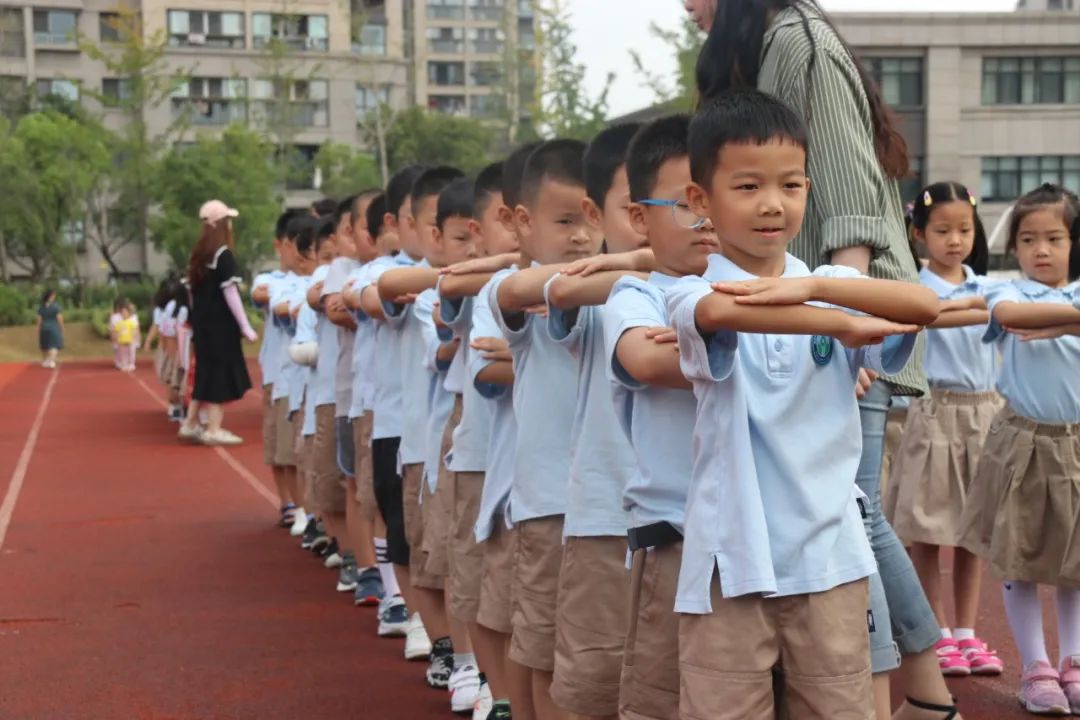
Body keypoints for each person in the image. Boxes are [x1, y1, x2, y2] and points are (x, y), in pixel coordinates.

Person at [687, 2, 951, 717]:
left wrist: (828, 295)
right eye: (747, 186)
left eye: (788, 185)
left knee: (855, 518)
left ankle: (924, 692)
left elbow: (912, 292)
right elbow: (717, 309)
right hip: (733, 564)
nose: (772, 203)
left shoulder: (799, 40)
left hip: (824, 560)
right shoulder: (693, 293)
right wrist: (832, 312)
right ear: (701, 199)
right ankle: (923, 691)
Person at [603, 113, 713, 720]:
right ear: (639, 217)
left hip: (767, 547)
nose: (706, 219)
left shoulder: (780, 290)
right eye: (685, 203)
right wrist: (786, 346)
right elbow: (647, 359)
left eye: (716, 198)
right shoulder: (636, 294)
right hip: (673, 536)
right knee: (662, 702)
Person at [957, 183, 1080, 716]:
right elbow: (1010, 317)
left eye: (1054, 237)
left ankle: (1074, 662)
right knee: (1018, 558)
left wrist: (1062, 320)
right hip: (1023, 442)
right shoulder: (1007, 291)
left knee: (1076, 565)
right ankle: (1036, 667)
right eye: (1028, 239)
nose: (1041, 250)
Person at [491, 139, 603, 720]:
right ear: (523, 224)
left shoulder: (618, 288)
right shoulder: (516, 288)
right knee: (539, 647)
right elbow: (537, 288)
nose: (582, 235)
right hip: (548, 501)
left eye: (591, 218)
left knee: (590, 659)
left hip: (609, 504)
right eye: (565, 221)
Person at [540, 123, 649, 720]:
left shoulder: (721, 283)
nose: (663, 218)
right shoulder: (593, 286)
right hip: (606, 520)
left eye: (690, 201)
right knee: (593, 688)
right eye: (637, 206)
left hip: (696, 529)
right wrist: (637, 257)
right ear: (595, 212)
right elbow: (549, 289)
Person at [882, 182, 1003, 678]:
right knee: (928, 531)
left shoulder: (989, 287)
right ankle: (935, 632)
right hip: (934, 413)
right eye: (943, 231)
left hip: (985, 415)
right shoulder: (917, 290)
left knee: (972, 535)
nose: (956, 240)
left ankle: (967, 632)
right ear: (918, 234)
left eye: (965, 230)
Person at [377, 166, 479, 705]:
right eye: (460, 237)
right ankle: (452, 650)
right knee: (433, 557)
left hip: (484, 455)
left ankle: (473, 662)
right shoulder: (426, 290)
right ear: (432, 235)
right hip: (428, 446)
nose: (472, 248)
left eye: (477, 236)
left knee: (472, 563)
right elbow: (439, 346)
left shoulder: (508, 287)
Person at [177, 199, 257, 446]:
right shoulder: (223, 255)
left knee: (205, 372)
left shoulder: (198, 256)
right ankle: (213, 428)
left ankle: (190, 423)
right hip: (221, 327)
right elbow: (230, 294)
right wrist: (245, 326)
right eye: (228, 221)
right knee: (219, 374)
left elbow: (191, 294)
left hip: (203, 326)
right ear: (222, 224)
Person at [36, 289, 63, 369]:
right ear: (50, 297)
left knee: (45, 346)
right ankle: (51, 361)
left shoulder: (41, 307)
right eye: (53, 296)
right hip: (53, 328)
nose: (54, 297)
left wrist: (38, 329)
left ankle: (45, 361)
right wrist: (62, 327)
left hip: (44, 328)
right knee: (54, 345)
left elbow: (39, 320)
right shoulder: (56, 307)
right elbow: (59, 318)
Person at [114, 302, 140, 373]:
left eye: (125, 312)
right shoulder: (119, 323)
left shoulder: (131, 322)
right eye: (122, 312)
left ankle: (131, 364)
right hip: (122, 341)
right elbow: (116, 331)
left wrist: (134, 337)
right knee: (123, 353)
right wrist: (116, 337)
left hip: (130, 340)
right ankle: (124, 364)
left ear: (129, 313)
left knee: (131, 352)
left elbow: (135, 330)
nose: (124, 314)